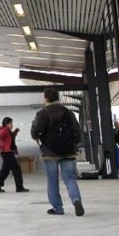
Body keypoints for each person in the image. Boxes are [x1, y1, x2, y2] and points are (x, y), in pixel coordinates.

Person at [30, 87, 84, 217]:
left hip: (50, 152)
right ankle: (76, 200)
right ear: (58, 97)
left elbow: (35, 132)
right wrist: (74, 144)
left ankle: (58, 208)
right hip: (68, 150)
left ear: (46, 98)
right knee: (69, 178)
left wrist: (38, 138)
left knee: (52, 180)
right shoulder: (67, 112)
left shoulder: (42, 113)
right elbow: (77, 131)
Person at [0, 117, 29, 193]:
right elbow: (1, 136)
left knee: (5, 171)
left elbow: (10, 138)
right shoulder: (1, 129)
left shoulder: (8, 130)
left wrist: (15, 132)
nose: (12, 125)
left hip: (9, 152)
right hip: (6, 152)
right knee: (16, 170)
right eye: (11, 123)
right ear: (6, 123)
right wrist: (6, 128)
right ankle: (19, 187)